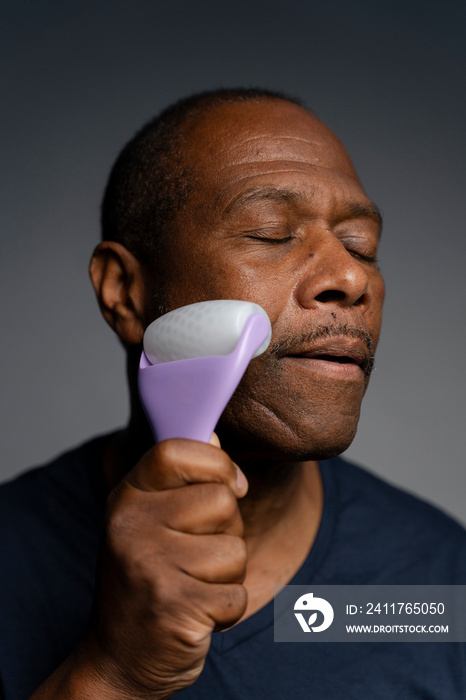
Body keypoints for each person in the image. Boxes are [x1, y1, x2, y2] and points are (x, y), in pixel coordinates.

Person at [1, 88, 465, 700]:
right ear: (125, 291)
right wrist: (114, 675)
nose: (351, 278)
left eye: (361, 245)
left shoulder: (439, 589)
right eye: (271, 233)